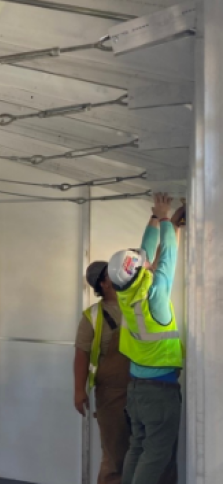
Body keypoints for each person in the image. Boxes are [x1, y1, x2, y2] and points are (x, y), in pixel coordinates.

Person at [108, 193, 185, 484]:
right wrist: (167, 219)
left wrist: (156, 218)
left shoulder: (128, 294)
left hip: (137, 390)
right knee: (155, 456)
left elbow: (144, 252)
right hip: (159, 392)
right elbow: (168, 257)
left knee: (137, 448)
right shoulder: (156, 295)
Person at [74, 261, 131, 484]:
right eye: (111, 274)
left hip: (142, 388)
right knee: (114, 456)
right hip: (111, 393)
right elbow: (81, 355)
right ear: (104, 283)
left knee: (141, 453)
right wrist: (79, 391)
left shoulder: (134, 303)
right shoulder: (93, 316)